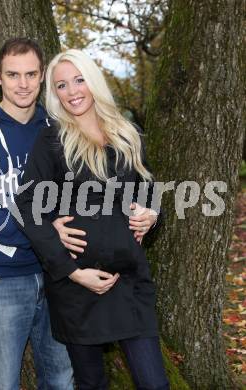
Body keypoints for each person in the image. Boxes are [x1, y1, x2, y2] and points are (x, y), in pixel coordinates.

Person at [15, 49, 170, 389]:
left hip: (129, 281)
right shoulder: (52, 140)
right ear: (54, 94)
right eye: (61, 85)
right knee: (90, 383)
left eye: (79, 80)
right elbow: (27, 204)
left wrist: (152, 214)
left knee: (154, 383)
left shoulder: (128, 133)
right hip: (77, 287)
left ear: (93, 81)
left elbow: (148, 191)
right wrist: (71, 271)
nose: (72, 92)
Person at [0, 38, 74, 390]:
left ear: (42, 78)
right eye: (13, 74)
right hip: (2, 278)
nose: (22, 84)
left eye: (31, 74)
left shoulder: (56, 129)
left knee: (62, 379)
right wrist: (47, 235)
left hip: (57, 273)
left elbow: (76, 193)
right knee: (3, 383)